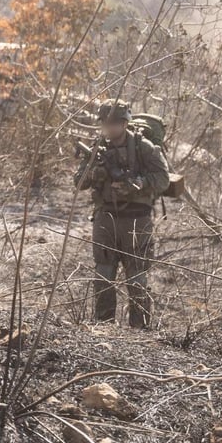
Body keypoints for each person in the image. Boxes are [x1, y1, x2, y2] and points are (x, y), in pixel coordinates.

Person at [75, 101, 170, 328]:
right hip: (106, 218)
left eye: (114, 123)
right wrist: (94, 173)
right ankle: (104, 328)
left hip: (137, 220)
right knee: (103, 276)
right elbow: (79, 183)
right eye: (106, 123)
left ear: (125, 122)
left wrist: (138, 184)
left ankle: (139, 331)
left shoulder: (143, 147)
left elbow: (163, 179)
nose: (109, 128)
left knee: (137, 278)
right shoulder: (97, 148)